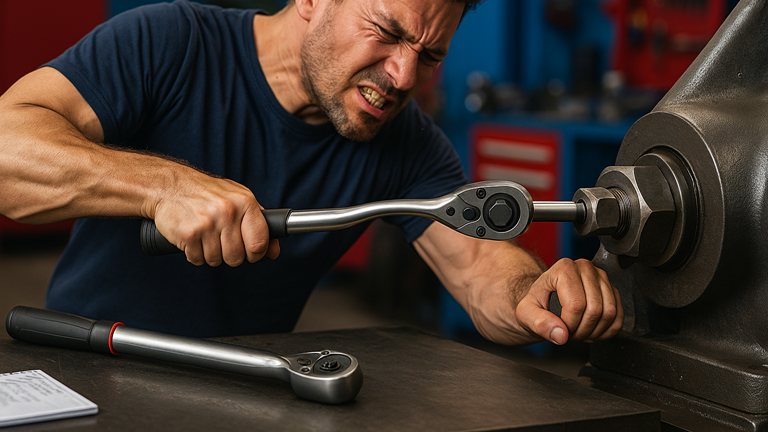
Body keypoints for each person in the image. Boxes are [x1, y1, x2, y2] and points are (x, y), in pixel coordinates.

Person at [0, 0, 622, 345]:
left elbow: (481, 269)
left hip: (240, 391)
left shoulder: (406, 143)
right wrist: (164, 187)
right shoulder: (168, 43)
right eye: (385, 32)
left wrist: (534, 295)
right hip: (85, 365)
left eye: (428, 55)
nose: (404, 77)